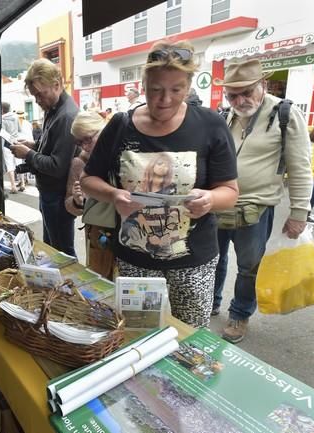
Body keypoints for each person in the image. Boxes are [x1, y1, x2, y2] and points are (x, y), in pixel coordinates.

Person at [81, 40, 239, 328]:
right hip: (135, 260)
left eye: (176, 90)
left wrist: (210, 200)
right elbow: (88, 180)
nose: (164, 99)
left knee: (191, 337)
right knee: (137, 332)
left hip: (193, 261)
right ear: (143, 85)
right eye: (155, 90)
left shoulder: (211, 125)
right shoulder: (120, 125)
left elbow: (230, 191)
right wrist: (115, 195)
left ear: (189, 87)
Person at [211, 59, 313, 343]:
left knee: (248, 267)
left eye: (247, 92)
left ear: (263, 85)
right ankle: (212, 302)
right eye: (233, 95)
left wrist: (299, 213)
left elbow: (301, 167)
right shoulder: (225, 115)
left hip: (256, 208)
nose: (240, 100)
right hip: (220, 203)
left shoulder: (285, 113)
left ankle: (240, 313)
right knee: (214, 259)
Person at [10, 58, 79, 256]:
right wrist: (33, 145)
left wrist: (29, 154)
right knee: (52, 246)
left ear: (56, 85)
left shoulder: (66, 116)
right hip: (50, 192)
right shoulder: (53, 108)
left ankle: (68, 286)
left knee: (62, 252)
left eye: (40, 95)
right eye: (35, 96)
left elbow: (57, 166)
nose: (38, 101)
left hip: (57, 195)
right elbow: (53, 149)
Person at [66, 111, 114, 278]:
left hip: (128, 232)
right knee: (100, 277)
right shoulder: (79, 163)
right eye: (79, 141)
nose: (84, 146)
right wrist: (78, 201)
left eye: (88, 138)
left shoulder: (122, 155)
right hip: (99, 234)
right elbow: (69, 203)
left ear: (103, 130)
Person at [1, 102, 21, 194]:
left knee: (10, 165)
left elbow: (3, 133)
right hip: (17, 141)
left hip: (7, 144)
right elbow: (19, 129)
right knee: (18, 162)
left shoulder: (3, 119)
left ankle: (13, 186)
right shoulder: (16, 117)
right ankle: (23, 183)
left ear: (2, 110)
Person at [15, 110, 33, 188]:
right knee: (27, 162)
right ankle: (25, 180)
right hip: (29, 143)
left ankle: (22, 181)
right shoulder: (28, 123)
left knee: (20, 163)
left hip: (20, 144)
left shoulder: (16, 123)